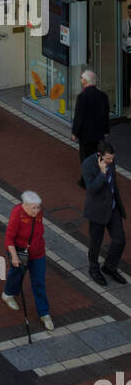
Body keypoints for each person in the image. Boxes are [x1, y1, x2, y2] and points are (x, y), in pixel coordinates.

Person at [1, 190, 53, 328]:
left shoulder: (38, 213)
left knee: (39, 282)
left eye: (38, 207)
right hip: (20, 252)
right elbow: (9, 238)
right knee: (17, 274)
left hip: (38, 253)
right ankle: (8, 293)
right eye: (34, 208)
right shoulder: (17, 214)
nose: (37, 210)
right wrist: (14, 257)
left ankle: (44, 313)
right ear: (26, 205)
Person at [83, 138, 127, 286]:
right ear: (99, 154)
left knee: (120, 240)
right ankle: (94, 269)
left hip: (113, 207)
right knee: (96, 243)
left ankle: (109, 267)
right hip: (97, 210)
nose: (110, 161)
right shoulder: (88, 165)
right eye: (108, 159)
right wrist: (102, 173)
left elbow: (113, 182)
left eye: (112, 158)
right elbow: (91, 190)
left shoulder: (110, 160)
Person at [72, 70, 110, 187]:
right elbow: (106, 115)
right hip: (98, 134)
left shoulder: (82, 97)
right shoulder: (103, 96)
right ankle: (99, 177)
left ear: (85, 81)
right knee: (97, 156)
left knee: (85, 157)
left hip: (85, 135)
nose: (81, 80)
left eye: (81, 78)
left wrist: (75, 132)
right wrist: (105, 131)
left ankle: (86, 181)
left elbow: (79, 117)